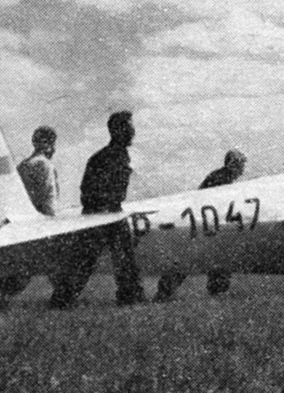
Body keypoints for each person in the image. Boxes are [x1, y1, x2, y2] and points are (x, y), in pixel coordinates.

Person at [47, 111, 145, 309]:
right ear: (118, 130)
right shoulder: (110, 157)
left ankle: (62, 301)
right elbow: (89, 191)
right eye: (129, 127)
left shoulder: (108, 156)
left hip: (105, 213)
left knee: (92, 261)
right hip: (103, 215)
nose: (133, 132)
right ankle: (129, 298)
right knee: (92, 260)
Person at [154, 149, 246, 302]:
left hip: (205, 226)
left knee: (203, 260)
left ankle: (166, 292)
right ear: (234, 164)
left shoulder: (220, 177)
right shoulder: (222, 180)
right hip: (205, 227)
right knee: (193, 260)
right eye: (241, 165)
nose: (242, 170)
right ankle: (165, 292)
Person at [17, 125, 59, 216]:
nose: (54, 149)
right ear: (46, 143)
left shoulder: (21, 166)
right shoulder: (44, 165)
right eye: (53, 144)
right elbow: (48, 201)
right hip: (42, 223)